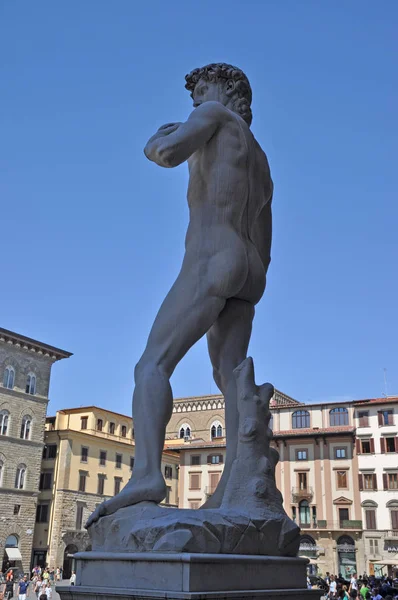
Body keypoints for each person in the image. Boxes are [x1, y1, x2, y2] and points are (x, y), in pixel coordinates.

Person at [86, 62, 274, 525]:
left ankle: (148, 472)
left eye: (203, 89)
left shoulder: (213, 116)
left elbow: (167, 153)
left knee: (151, 364)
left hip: (212, 257)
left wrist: (156, 139)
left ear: (227, 92)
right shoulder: (263, 161)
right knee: (230, 376)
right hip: (250, 270)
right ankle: (236, 480)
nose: (195, 99)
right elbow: (265, 238)